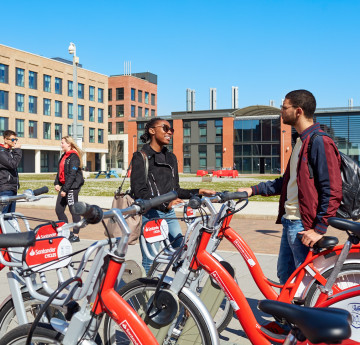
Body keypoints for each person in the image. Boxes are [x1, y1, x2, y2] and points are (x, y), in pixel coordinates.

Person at [238, 90, 342, 285]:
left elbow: (333, 189)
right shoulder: (300, 142)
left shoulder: (319, 142)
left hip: (303, 226)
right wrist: (252, 190)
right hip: (290, 221)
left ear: (298, 111)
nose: (281, 112)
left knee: (306, 283)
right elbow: (286, 182)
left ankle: (313, 314)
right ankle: (286, 316)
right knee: (286, 275)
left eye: (284, 107)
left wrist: (319, 228)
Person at [131, 118, 215, 273]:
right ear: (152, 131)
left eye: (171, 129)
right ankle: (147, 294)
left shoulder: (171, 158)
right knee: (152, 260)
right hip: (150, 215)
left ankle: (177, 291)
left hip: (168, 214)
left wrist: (198, 192)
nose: (169, 132)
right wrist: (164, 204)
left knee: (182, 253)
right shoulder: (141, 156)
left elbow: (175, 190)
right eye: (165, 128)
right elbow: (139, 192)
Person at [54, 136, 84, 243]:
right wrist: (57, 183)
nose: (61, 144)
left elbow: (72, 175)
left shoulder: (74, 157)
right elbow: (60, 172)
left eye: (62, 143)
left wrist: (65, 189)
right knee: (59, 209)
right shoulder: (63, 156)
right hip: (65, 186)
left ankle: (76, 235)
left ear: (69, 144)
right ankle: (66, 231)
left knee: (74, 211)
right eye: (61, 142)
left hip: (72, 187)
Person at [0, 130, 22, 213]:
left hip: (12, 188)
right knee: (3, 215)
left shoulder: (9, 152)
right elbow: (13, 164)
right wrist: (18, 150)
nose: (15, 142)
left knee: (11, 216)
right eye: (12, 140)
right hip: (5, 188)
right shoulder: (1, 153)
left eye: (16, 139)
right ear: (5, 140)